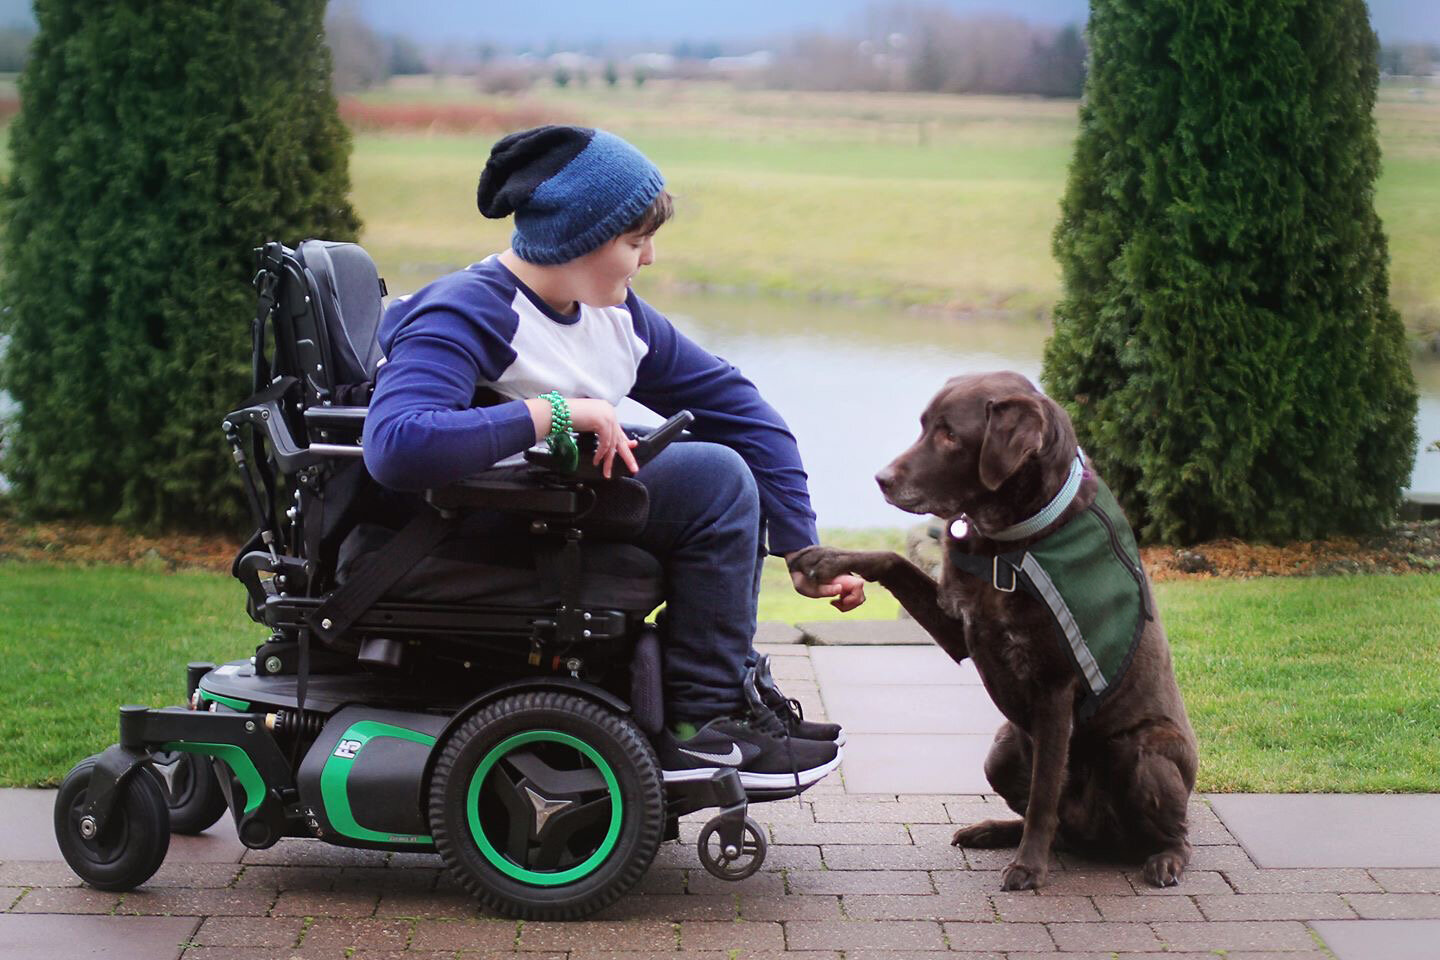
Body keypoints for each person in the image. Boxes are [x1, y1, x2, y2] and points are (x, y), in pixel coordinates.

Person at [362, 125, 865, 790]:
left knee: (714, 457)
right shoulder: (466, 312)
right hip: (466, 527)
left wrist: (804, 550)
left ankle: (727, 695)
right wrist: (555, 412)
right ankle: (702, 725)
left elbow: (742, 409)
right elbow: (396, 444)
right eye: (634, 241)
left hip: (551, 509)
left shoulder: (614, 314)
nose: (648, 258)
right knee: (713, 478)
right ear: (577, 238)